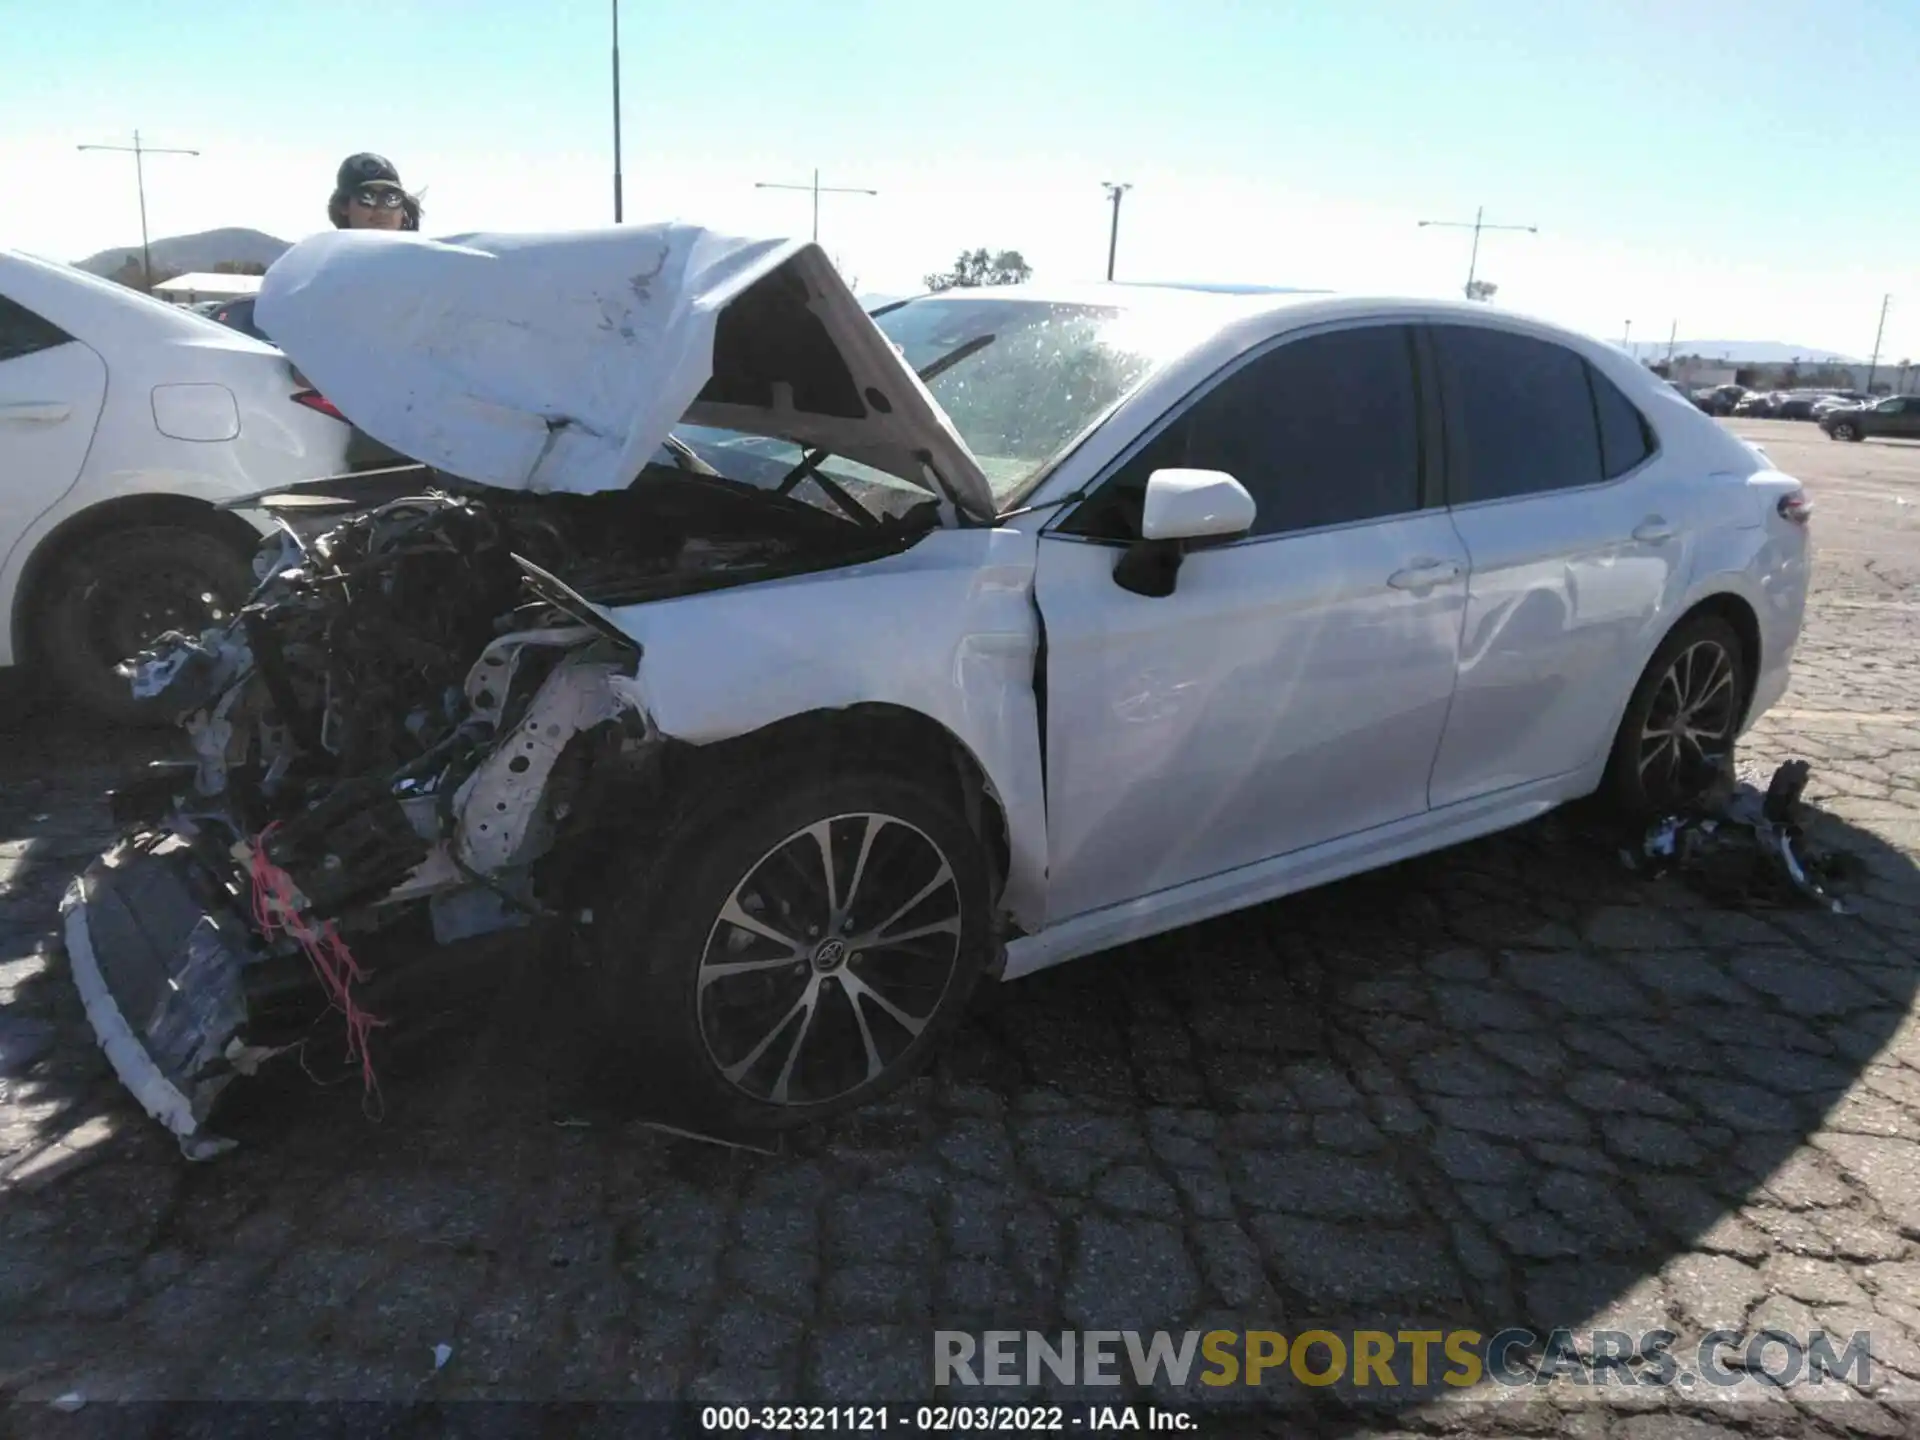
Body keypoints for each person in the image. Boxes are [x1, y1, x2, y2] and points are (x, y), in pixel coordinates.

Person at [327, 153, 422, 232]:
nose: (382, 210)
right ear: (343, 206)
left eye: (392, 199)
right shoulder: (323, 253)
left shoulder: (425, 253)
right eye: (367, 198)